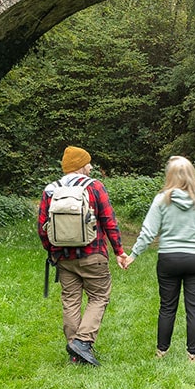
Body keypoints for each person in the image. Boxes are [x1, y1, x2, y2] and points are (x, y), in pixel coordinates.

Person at [122, 156, 195, 362]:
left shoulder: (162, 199)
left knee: (167, 306)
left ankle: (161, 352)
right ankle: (193, 356)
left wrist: (133, 255)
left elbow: (148, 232)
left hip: (169, 259)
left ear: (169, 176)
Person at [38, 145, 128, 366]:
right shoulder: (95, 187)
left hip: (64, 258)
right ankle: (83, 342)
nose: (90, 167)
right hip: (93, 255)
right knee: (99, 297)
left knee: (70, 301)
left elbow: (42, 227)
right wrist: (119, 251)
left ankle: (75, 355)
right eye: (87, 163)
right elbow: (109, 221)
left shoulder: (51, 190)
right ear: (79, 166)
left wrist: (53, 251)